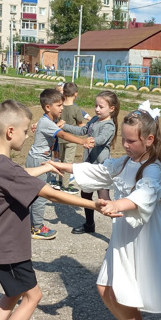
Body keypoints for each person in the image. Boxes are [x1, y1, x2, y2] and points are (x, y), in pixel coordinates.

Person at [0, 100, 117, 320]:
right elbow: (51, 194)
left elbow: (20, 175)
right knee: (32, 296)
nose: (29, 135)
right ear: (10, 132)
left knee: (12, 293)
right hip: (8, 248)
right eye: (26, 131)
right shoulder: (6, 169)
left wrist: (46, 167)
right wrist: (93, 205)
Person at [52, 100, 161, 320]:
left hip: (142, 240)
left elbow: (143, 195)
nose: (125, 145)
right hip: (123, 236)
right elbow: (98, 171)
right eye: (123, 140)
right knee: (106, 288)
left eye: (131, 141)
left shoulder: (153, 169)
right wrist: (57, 165)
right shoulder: (125, 162)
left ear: (149, 139)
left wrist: (115, 203)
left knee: (120, 289)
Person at [26, 89, 94, 239]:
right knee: (41, 195)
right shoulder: (47, 123)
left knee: (33, 193)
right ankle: (37, 228)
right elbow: (62, 134)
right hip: (40, 161)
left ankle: (29, 223)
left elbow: (53, 125)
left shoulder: (47, 121)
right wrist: (83, 141)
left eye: (62, 105)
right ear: (48, 107)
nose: (62, 108)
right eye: (59, 105)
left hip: (36, 158)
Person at [60, 90, 120, 234]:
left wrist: (92, 142)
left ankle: (120, 232)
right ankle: (89, 224)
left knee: (104, 199)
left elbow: (102, 139)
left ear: (112, 109)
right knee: (85, 195)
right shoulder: (94, 120)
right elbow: (82, 131)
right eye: (96, 106)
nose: (97, 109)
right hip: (88, 164)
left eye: (101, 107)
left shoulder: (109, 125)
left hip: (101, 167)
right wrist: (64, 126)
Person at [57, 82, 86, 194]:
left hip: (60, 138)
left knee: (61, 159)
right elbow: (80, 124)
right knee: (68, 162)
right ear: (75, 94)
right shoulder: (75, 109)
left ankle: (59, 181)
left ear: (63, 92)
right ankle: (65, 185)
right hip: (71, 139)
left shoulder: (60, 107)